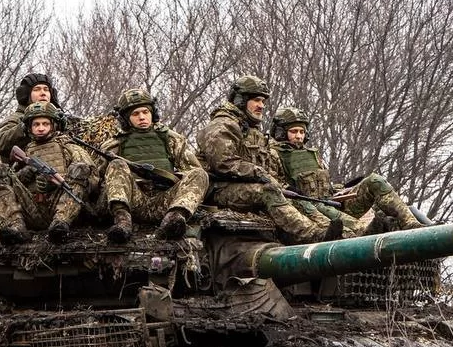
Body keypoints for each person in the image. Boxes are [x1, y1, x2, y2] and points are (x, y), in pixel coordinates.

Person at [196, 75, 343, 243]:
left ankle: (326, 232)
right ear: (240, 100)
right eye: (257, 100)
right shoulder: (223, 124)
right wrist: (260, 173)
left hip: (241, 187)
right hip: (218, 189)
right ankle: (312, 234)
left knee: (288, 195)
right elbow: (224, 163)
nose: (261, 106)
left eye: (263, 101)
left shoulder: (251, 129)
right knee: (268, 191)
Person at [272, 106, 424, 231]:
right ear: (280, 132)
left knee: (375, 181)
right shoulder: (273, 153)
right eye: (294, 131)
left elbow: (324, 186)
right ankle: (369, 232)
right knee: (358, 228)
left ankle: (410, 223)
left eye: (302, 131)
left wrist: (343, 188)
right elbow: (274, 187)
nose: (299, 136)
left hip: (332, 203)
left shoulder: (313, 155)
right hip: (309, 212)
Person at [100, 87, 210, 242]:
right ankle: (122, 221)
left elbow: (191, 170)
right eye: (135, 114)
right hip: (134, 202)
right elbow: (99, 180)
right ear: (125, 118)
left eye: (145, 112)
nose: (142, 117)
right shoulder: (113, 144)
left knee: (200, 174)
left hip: (164, 201)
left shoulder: (171, 139)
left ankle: (174, 219)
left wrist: (171, 178)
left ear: (152, 113)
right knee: (117, 164)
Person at [0, 101, 95, 245]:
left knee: (80, 168)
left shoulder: (69, 147)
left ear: (54, 125)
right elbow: (12, 182)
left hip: (63, 207)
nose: (40, 128)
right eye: (36, 124)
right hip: (32, 209)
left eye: (45, 124)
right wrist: (24, 175)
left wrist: (55, 183)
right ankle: (16, 226)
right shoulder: (26, 151)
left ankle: (60, 224)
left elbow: (92, 177)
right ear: (28, 127)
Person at [0, 72, 61, 165]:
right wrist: (25, 127)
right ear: (26, 94)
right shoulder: (16, 119)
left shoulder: (59, 119)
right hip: (25, 175)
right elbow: (1, 144)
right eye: (37, 89)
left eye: (46, 90)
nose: (43, 93)